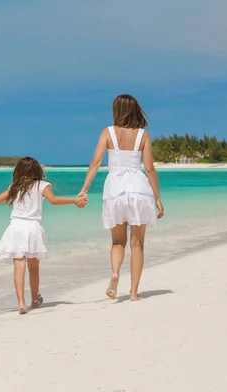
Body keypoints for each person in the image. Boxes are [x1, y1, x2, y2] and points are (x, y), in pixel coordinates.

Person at [0, 157, 87, 314]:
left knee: (18, 266)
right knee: (33, 267)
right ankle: (34, 300)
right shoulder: (42, 185)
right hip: (33, 228)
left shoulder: (15, 186)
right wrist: (75, 200)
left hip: (16, 227)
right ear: (37, 170)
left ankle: (21, 303)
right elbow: (54, 200)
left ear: (18, 171)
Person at [77, 94, 164, 301]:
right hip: (138, 189)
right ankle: (134, 293)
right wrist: (158, 198)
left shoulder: (107, 132)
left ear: (116, 111)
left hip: (115, 189)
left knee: (117, 242)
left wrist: (84, 189)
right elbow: (149, 168)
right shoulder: (143, 135)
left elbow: (95, 162)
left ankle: (115, 273)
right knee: (137, 244)